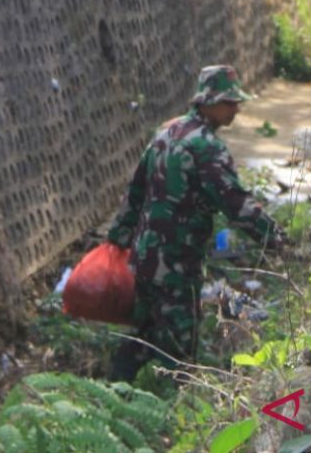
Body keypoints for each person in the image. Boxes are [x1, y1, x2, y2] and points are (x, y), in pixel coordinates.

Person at [107, 66, 282, 381]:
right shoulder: (207, 148)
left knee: (143, 334)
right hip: (176, 265)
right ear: (209, 101)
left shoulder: (166, 133)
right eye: (229, 102)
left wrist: (119, 238)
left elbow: (135, 190)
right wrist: (278, 240)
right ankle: (174, 414)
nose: (236, 109)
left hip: (145, 258)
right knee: (180, 348)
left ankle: (114, 394)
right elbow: (237, 205)